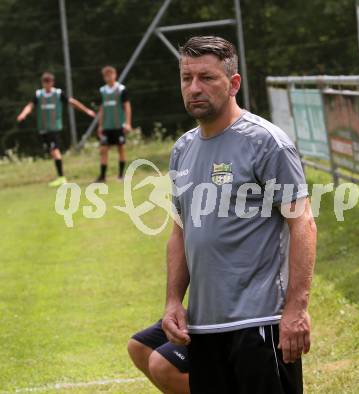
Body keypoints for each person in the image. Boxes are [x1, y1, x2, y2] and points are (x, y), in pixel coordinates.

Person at [161, 36, 317, 394]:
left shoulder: (266, 142)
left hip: (259, 323)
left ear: (233, 83)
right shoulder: (182, 149)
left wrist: (295, 309)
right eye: (187, 78)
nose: (194, 88)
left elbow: (303, 223)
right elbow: (180, 231)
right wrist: (173, 301)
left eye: (207, 78)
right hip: (203, 328)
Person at [17, 72, 96, 187]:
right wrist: (23, 114)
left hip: (54, 128)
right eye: (45, 82)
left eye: (49, 82)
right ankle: (60, 177)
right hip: (43, 128)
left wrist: (86, 110)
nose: (47, 85)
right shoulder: (39, 95)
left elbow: (72, 102)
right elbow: (30, 106)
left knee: (55, 151)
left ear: (52, 83)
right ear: (42, 83)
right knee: (52, 152)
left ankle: (62, 178)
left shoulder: (58, 94)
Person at [127, 321, 189, 394]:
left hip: (204, 325)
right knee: (138, 346)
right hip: (195, 314)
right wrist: (171, 309)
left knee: (162, 364)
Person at [95, 66, 132, 182]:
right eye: (106, 76)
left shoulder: (121, 89)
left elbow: (127, 107)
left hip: (118, 126)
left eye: (110, 75)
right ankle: (102, 176)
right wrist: (100, 125)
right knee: (103, 150)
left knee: (120, 148)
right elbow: (101, 109)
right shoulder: (102, 91)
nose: (108, 77)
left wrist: (127, 123)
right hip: (106, 126)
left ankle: (120, 175)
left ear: (115, 75)